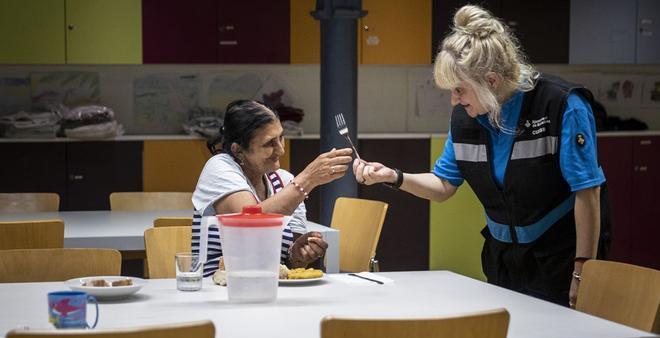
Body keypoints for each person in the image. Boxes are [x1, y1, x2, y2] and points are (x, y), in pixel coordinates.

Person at [353, 5, 605, 308]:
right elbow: (443, 185)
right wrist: (393, 176)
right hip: (503, 257)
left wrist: (582, 271)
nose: (454, 100)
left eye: (460, 90)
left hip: (561, 257)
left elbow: (587, 192)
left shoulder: (561, 105)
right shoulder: (467, 117)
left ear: (492, 81)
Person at [192, 99, 353, 276]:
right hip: (216, 290)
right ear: (238, 150)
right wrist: (308, 179)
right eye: (269, 143)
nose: (281, 150)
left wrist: (298, 254)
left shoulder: (285, 181)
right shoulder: (219, 168)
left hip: (268, 288)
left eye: (281, 138)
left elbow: (288, 263)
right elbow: (250, 222)